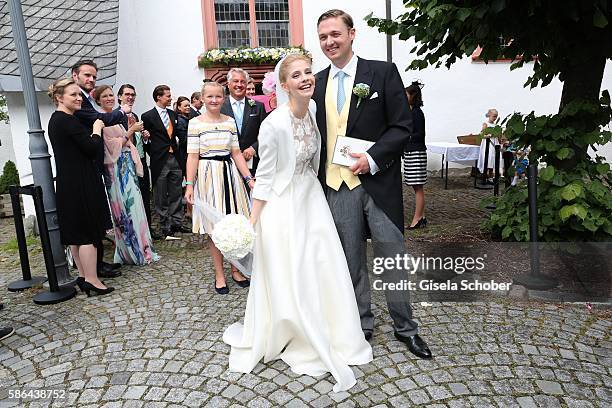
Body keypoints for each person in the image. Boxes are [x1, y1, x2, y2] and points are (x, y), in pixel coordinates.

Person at [223, 54, 373, 392]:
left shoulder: (315, 111)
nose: (305, 78)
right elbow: (264, 176)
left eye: (308, 71)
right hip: (283, 204)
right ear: (285, 85)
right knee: (294, 267)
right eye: (296, 75)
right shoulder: (273, 124)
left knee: (322, 264)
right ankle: (294, 329)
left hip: (312, 198)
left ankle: (332, 327)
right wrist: (253, 220)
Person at [312, 9, 431, 359]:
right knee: (350, 261)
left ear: (351, 34)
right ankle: (360, 324)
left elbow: (401, 126)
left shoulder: (382, 72)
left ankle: (406, 328)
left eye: (335, 34)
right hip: (336, 185)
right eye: (323, 37)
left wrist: (373, 158)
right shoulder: (316, 82)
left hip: (378, 182)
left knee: (391, 257)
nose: (329, 42)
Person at [47, 78, 114, 296]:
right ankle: (93, 280)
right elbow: (91, 148)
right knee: (88, 233)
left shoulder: (57, 120)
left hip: (69, 182)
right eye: (73, 95)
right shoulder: (67, 121)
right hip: (81, 182)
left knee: (76, 234)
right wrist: (96, 129)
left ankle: (85, 277)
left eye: (79, 95)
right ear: (59, 98)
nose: (78, 98)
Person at [184, 81, 252, 294]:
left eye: (218, 97)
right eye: (210, 97)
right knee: (215, 229)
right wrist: (189, 184)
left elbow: (237, 153)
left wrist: (249, 179)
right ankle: (219, 274)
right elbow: (192, 156)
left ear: (223, 99)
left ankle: (236, 269)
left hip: (230, 175)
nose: (214, 100)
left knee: (234, 225)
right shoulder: (194, 123)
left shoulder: (230, 121)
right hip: (207, 177)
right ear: (202, 99)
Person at [71, 59, 126, 278]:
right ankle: (94, 269)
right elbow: (100, 119)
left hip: (94, 160)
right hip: (86, 162)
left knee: (98, 213)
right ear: (75, 76)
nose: (91, 79)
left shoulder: (86, 99)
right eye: (87, 75)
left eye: (94, 76)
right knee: (92, 215)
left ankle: (99, 262)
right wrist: (122, 112)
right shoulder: (79, 102)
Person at [93, 86, 159, 265]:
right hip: (115, 170)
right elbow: (111, 146)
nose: (109, 98)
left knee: (136, 207)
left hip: (127, 165)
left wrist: (137, 133)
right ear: (97, 100)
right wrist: (130, 132)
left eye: (111, 95)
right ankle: (131, 251)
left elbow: (127, 142)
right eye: (104, 96)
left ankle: (144, 248)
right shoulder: (99, 119)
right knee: (124, 210)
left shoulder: (117, 117)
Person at [142, 85, 189, 239]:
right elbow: (145, 140)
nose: (170, 98)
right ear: (158, 97)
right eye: (168, 96)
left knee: (176, 193)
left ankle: (177, 223)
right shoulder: (147, 116)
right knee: (160, 195)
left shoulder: (172, 114)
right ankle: (164, 225)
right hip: (159, 160)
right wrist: (155, 153)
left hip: (175, 158)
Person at [117, 84, 154, 230]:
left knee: (145, 195)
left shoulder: (135, 115)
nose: (130, 97)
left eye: (133, 94)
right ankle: (135, 229)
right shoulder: (116, 116)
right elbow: (120, 141)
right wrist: (133, 130)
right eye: (127, 94)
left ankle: (148, 229)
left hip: (140, 159)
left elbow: (137, 139)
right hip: (127, 161)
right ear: (120, 97)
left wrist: (144, 137)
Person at [220, 68, 267, 175]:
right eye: (236, 81)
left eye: (243, 82)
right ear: (228, 84)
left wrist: (254, 148)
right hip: (227, 162)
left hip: (253, 162)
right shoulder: (220, 107)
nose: (239, 84)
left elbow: (266, 134)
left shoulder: (258, 106)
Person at [403, 82, 428, 229]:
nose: (403, 97)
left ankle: (417, 219)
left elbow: (420, 134)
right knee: (415, 186)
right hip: (411, 151)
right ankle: (422, 216)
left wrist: (406, 137)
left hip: (416, 152)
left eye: (406, 94)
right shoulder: (411, 111)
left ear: (413, 96)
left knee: (418, 187)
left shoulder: (417, 112)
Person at [478, 108, 501, 179]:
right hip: (488, 144)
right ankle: (486, 176)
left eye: (496, 116)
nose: (495, 118)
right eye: (494, 116)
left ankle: (491, 176)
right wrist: (487, 136)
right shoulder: (486, 124)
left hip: (495, 143)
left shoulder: (495, 125)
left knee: (494, 159)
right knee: (489, 158)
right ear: (489, 115)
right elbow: (481, 135)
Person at [173, 96, 191, 176]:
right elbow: (183, 140)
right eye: (185, 106)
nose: (188, 107)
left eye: (188, 105)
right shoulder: (180, 121)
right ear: (179, 107)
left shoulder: (186, 118)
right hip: (184, 153)